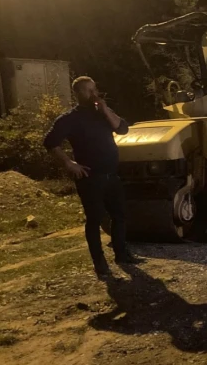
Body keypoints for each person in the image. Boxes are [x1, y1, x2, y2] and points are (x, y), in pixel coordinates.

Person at [43, 76, 142, 279]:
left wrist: (105, 109)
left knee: (119, 215)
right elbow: (50, 142)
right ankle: (100, 263)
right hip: (90, 177)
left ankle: (122, 255)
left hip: (112, 174)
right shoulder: (69, 119)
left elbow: (123, 129)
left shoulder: (102, 114)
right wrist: (69, 163)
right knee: (94, 220)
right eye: (88, 91)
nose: (93, 94)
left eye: (94, 89)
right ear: (77, 94)